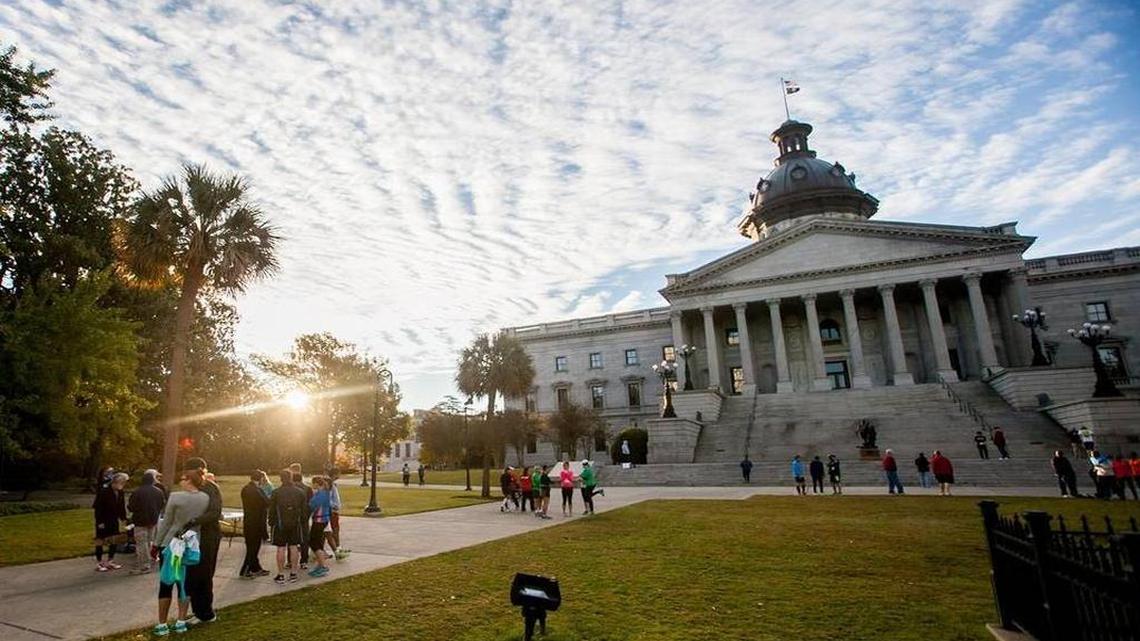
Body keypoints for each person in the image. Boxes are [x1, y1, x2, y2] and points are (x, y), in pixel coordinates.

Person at [152, 469, 209, 636]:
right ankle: (181, 621)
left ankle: (162, 624)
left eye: (183, 479)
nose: (180, 481)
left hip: (171, 543)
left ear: (189, 480)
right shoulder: (205, 498)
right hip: (192, 545)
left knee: (166, 583)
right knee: (185, 583)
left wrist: (156, 544)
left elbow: (167, 522)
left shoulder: (176, 497)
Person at [182, 457, 222, 624]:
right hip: (193, 536)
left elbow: (214, 512)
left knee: (203, 574)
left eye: (188, 471)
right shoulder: (193, 487)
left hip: (207, 536)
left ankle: (206, 613)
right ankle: (198, 610)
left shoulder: (211, 488)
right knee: (192, 574)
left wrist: (194, 519)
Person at [269, 469, 308, 585]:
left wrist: (271, 522)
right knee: (294, 547)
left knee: (280, 548)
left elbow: (272, 510)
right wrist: (303, 522)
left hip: (280, 524)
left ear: (281, 478)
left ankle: (281, 574)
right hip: (295, 523)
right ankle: (293, 573)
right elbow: (304, 510)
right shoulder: (300, 492)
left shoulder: (276, 492)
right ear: (291, 478)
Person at [128, 469, 166, 574]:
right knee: (150, 541)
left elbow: (131, 507)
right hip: (153, 520)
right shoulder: (158, 491)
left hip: (140, 520)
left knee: (141, 543)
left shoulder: (137, 492)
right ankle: (150, 559)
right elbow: (162, 504)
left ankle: (144, 565)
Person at [93, 471, 128, 572]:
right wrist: (99, 522)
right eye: (121, 483)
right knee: (100, 540)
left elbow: (121, 506)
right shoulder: (103, 492)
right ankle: (99, 562)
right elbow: (98, 508)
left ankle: (110, 561)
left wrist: (123, 518)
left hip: (114, 519)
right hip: (103, 519)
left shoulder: (120, 492)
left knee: (114, 540)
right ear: (115, 482)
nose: (122, 485)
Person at [239, 471, 270, 578]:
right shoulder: (256, 490)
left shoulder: (246, 488)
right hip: (255, 522)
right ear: (260, 478)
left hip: (249, 521)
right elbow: (266, 502)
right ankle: (245, 570)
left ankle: (256, 568)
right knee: (253, 548)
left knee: (253, 547)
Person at [306, 477, 333, 578]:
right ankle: (320, 564)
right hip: (323, 520)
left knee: (313, 542)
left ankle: (322, 566)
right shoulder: (325, 492)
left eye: (313, 483)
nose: (312, 485)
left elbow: (312, 505)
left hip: (319, 520)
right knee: (317, 542)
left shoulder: (321, 494)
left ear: (317, 484)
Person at [289, 463, 312, 569]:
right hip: (304, 517)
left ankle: (290, 561)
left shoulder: (290, 490)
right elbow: (311, 505)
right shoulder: (308, 489)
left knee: (291, 540)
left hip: (292, 517)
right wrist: (307, 516)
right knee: (304, 540)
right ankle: (304, 561)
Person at [325, 471, 348, 559]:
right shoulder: (326, 487)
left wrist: (331, 504)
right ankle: (335, 551)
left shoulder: (332, 487)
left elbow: (336, 503)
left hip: (331, 513)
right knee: (327, 533)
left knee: (333, 532)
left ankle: (337, 550)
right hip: (326, 513)